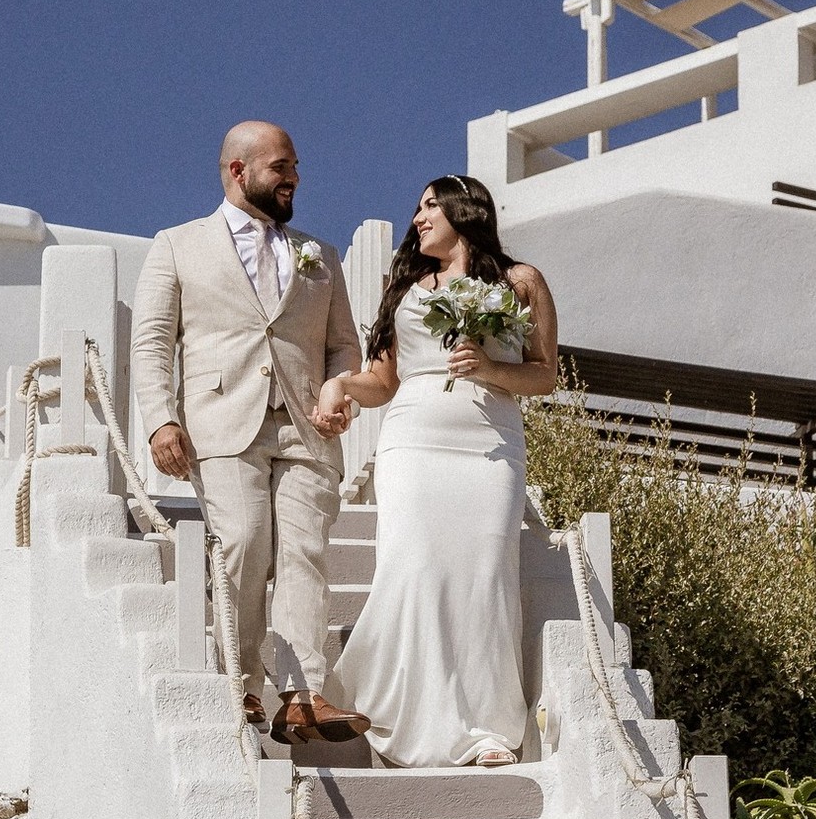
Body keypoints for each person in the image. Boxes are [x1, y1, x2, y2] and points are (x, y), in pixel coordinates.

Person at [131, 120, 370, 745]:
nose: (294, 178)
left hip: (306, 428)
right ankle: (241, 684)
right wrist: (161, 418)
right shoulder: (178, 245)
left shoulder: (322, 256)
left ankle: (301, 695)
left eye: (294, 167)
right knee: (242, 545)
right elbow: (154, 341)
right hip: (221, 421)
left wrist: (338, 391)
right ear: (238, 170)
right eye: (281, 166)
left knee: (305, 554)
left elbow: (344, 345)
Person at [315, 174, 557, 767]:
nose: (418, 216)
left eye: (429, 205)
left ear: (462, 209)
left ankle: (485, 729)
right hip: (414, 441)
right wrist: (341, 384)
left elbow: (544, 375)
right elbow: (383, 381)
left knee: (484, 575)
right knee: (414, 564)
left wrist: (488, 368)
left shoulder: (521, 282)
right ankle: (399, 709)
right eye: (418, 208)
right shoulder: (405, 289)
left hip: (489, 446)